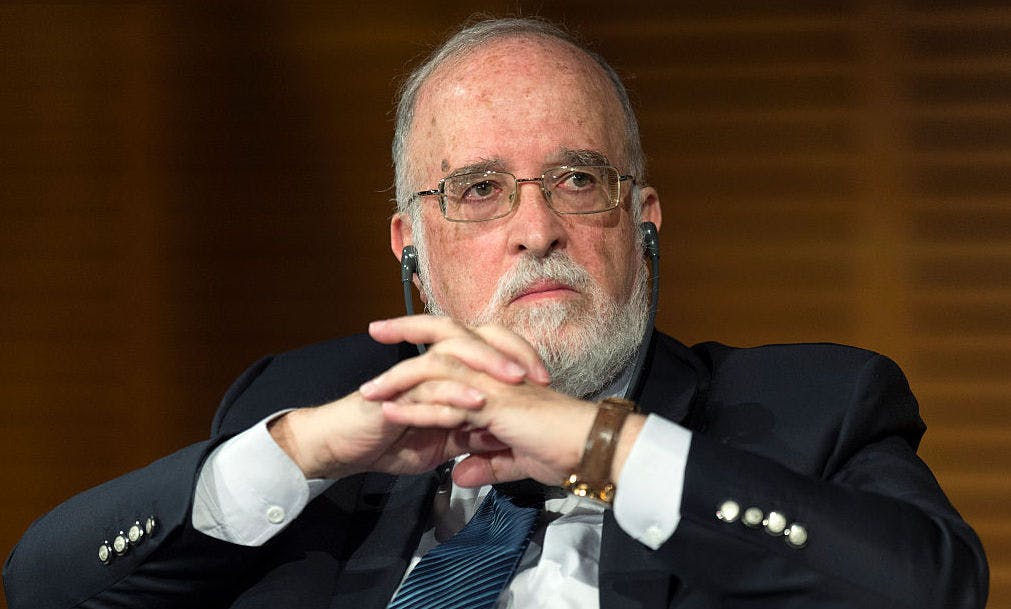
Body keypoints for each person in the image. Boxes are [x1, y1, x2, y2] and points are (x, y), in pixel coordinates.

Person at [3, 17, 988, 609]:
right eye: (478, 190)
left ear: (643, 221)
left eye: (577, 179)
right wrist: (307, 450)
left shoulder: (810, 407)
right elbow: (47, 586)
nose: (536, 228)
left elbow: (929, 589)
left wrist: (601, 447)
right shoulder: (310, 406)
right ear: (411, 248)